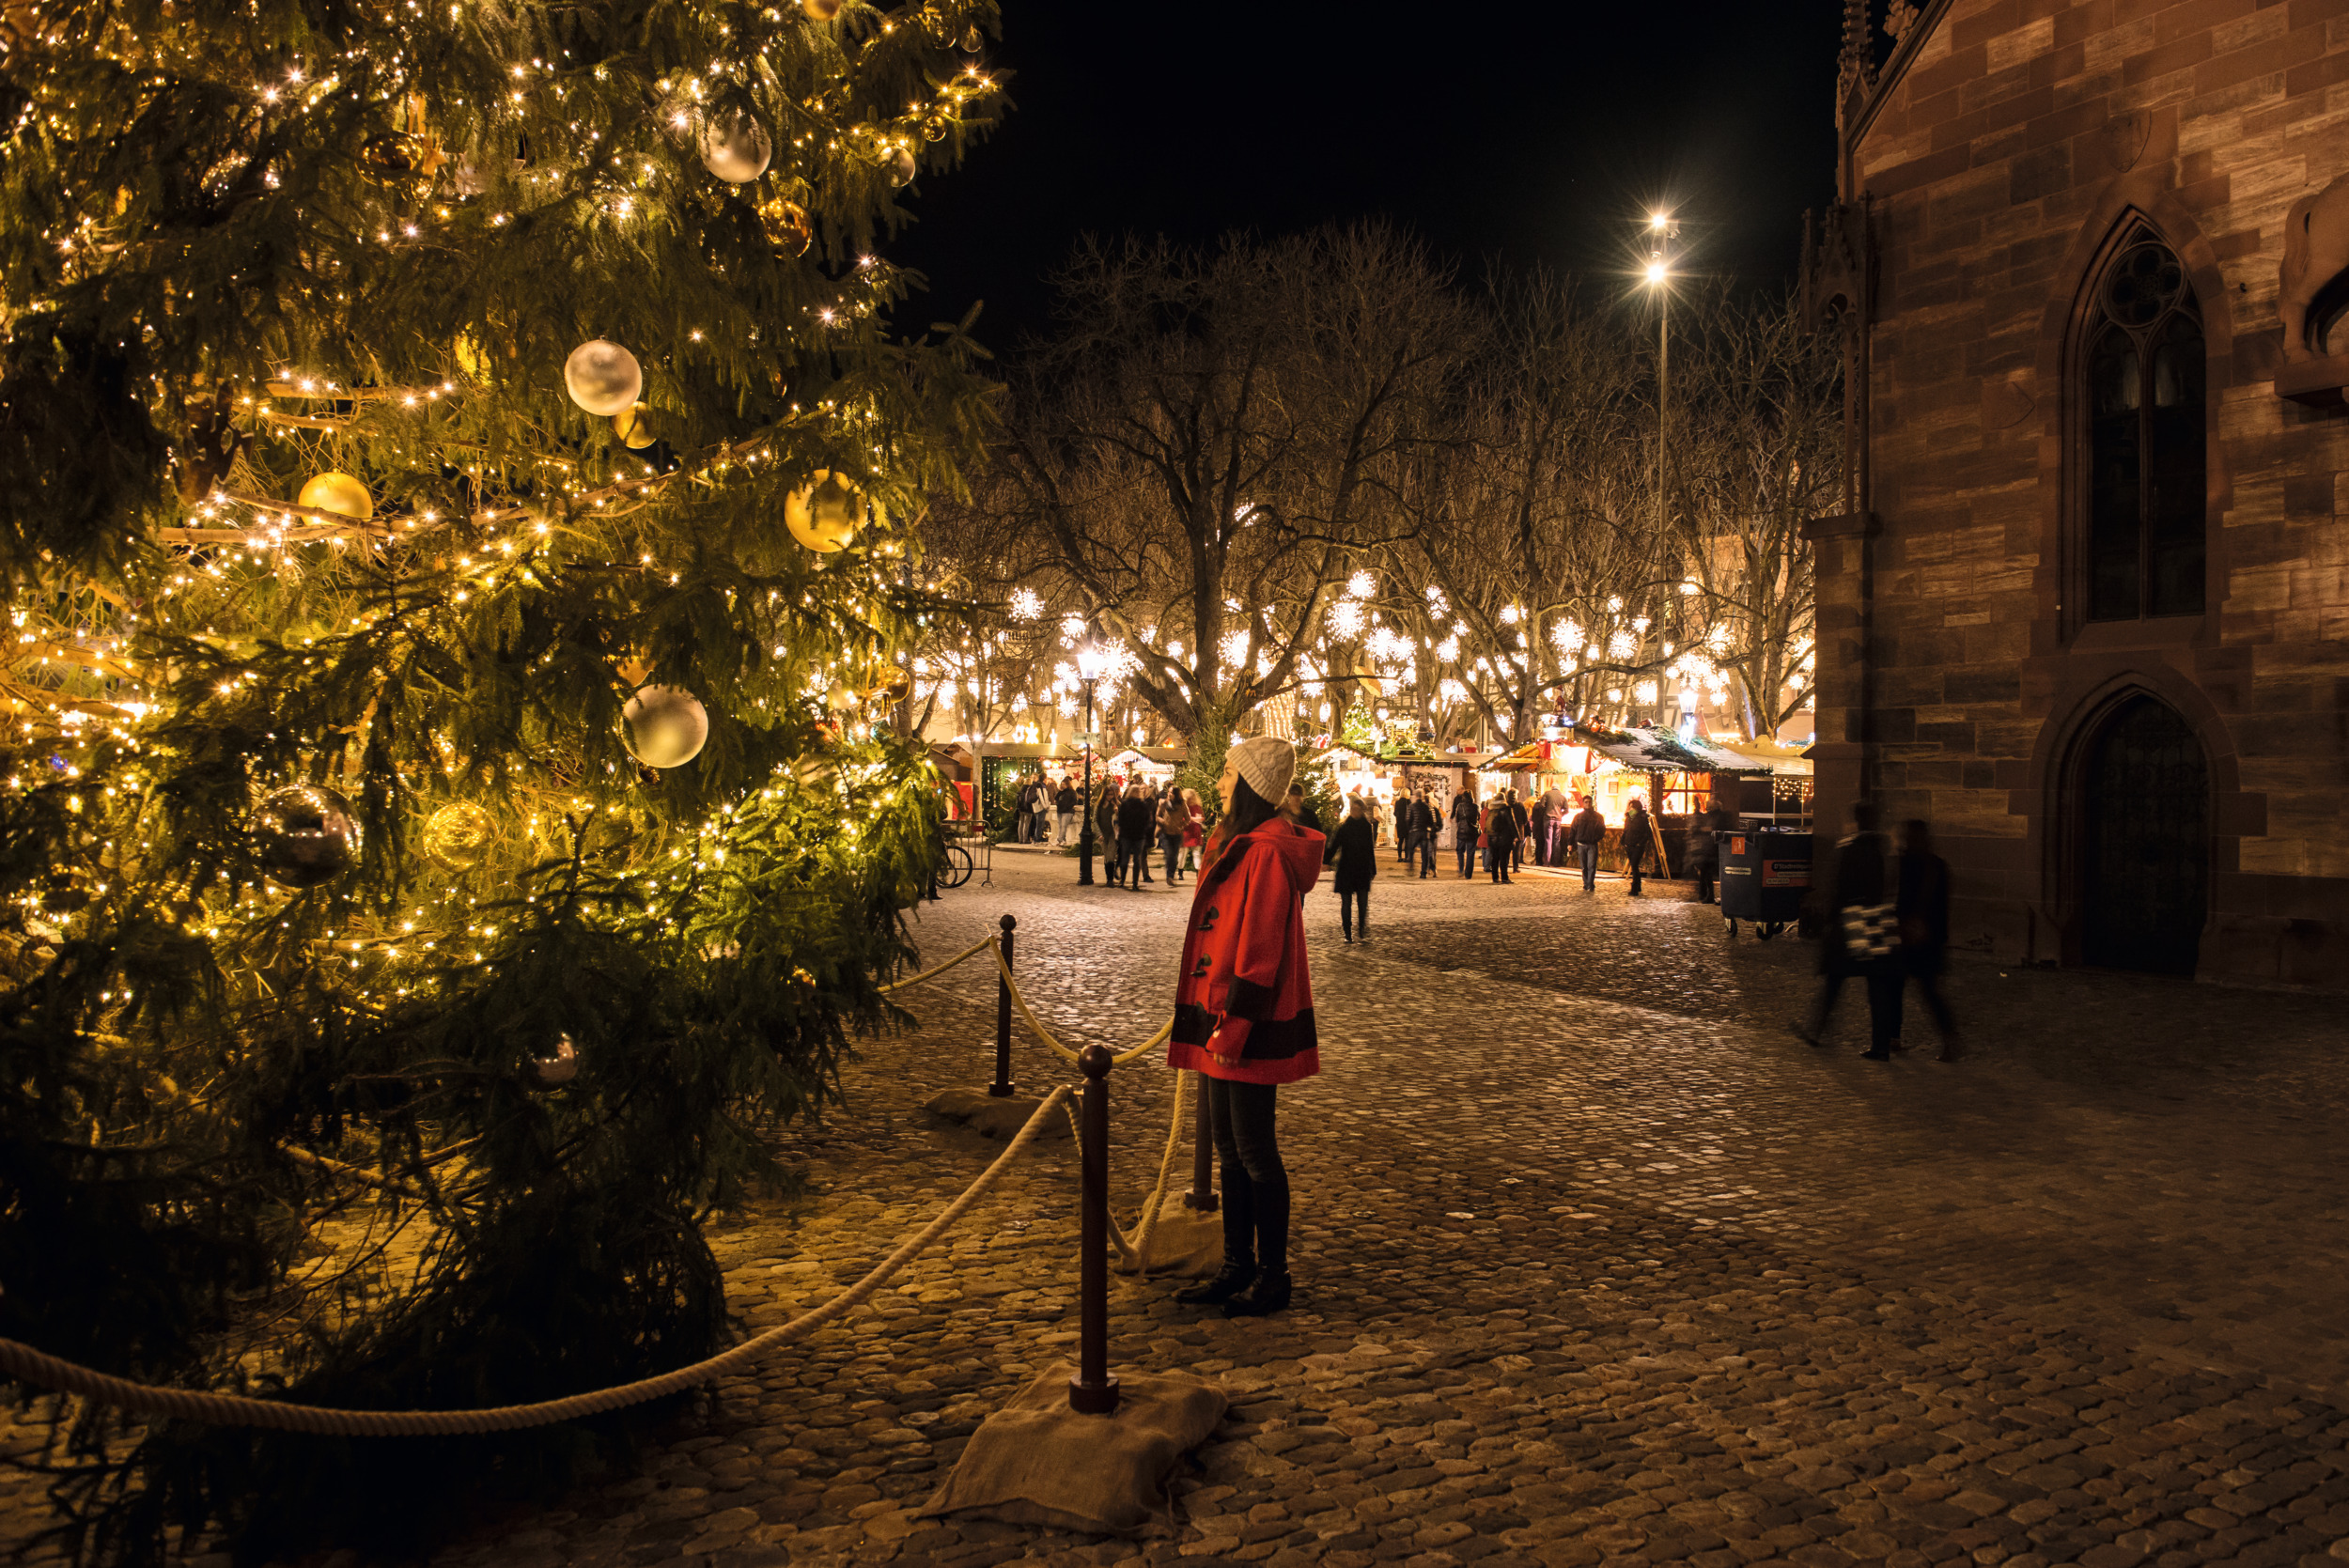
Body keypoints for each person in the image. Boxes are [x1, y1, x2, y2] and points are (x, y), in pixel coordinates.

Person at [1169, 736, 1323, 1317]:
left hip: (1246, 1018)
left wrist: (1234, 1024)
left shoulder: (1265, 853)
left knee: (1256, 1150)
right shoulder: (1235, 842)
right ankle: (1236, 1265)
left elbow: (1259, 948)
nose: (1220, 782)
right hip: (1219, 1011)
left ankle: (1272, 1274)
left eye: (1229, 772)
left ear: (1252, 785)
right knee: (1228, 1148)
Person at [1793, 800, 1903, 1061]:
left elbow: (1837, 888)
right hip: (1875, 919)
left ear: (1856, 820)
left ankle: (1817, 1030)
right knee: (1876, 985)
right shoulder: (1883, 849)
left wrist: (1829, 919)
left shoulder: (1849, 849)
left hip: (1849, 921)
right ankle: (1880, 1044)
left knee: (1835, 979)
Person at [1897, 818, 1963, 1062]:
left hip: (1915, 938)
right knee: (1925, 991)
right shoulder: (1936, 865)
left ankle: (1948, 1039)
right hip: (1928, 938)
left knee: (1919, 990)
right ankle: (1949, 1040)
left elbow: (1902, 899)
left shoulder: (1912, 864)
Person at [1324, 793, 1377, 943]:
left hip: (1361, 869)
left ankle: (1361, 929)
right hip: (1347, 869)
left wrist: (1373, 868)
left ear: (1361, 810)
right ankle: (1347, 931)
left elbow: (1369, 849)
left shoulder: (1366, 827)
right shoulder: (1345, 827)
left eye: (1357, 809)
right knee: (1346, 903)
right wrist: (1326, 861)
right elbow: (1334, 845)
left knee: (1362, 903)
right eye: (1353, 809)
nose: (1355, 811)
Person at [1688, 795, 1732, 906]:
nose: (1707, 809)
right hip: (1711, 848)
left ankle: (1709, 895)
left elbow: (1714, 828)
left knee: (1709, 872)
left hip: (1714, 848)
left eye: (1709, 807)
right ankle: (1706, 894)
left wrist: (1703, 830)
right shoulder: (1717, 816)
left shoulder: (1718, 817)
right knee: (1706, 872)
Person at [1116, 780, 1157, 888]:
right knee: (1137, 860)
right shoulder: (1143, 805)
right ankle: (1135, 883)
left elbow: (1120, 820)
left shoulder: (1124, 804)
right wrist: (1143, 829)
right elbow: (1148, 820)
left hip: (1126, 835)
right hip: (1139, 835)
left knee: (1125, 858)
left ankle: (1122, 881)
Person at [1568, 794, 1606, 892]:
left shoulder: (1598, 816)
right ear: (1583, 804)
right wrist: (1570, 843)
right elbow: (1573, 830)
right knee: (1584, 866)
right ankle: (1586, 883)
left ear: (1592, 803)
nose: (1588, 804)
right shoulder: (1578, 816)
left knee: (1591, 866)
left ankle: (1590, 884)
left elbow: (1602, 830)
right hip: (1581, 844)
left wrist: (1595, 839)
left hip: (1592, 844)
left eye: (1589, 802)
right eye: (1586, 802)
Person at [1621, 796, 1656, 896]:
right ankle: (1638, 885)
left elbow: (1648, 833)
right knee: (1633, 865)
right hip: (1629, 845)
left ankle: (1634, 888)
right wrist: (1624, 842)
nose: (1630, 809)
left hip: (1637, 846)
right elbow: (1626, 830)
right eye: (1630, 807)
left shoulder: (1642, 819)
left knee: (1634, 866)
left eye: (1632, 807)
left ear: (1637, 808)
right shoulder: (1628, 818)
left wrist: (1640, 843)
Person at [1157, 783, 1189, 886]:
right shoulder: (1163, 804)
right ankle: (1169, 876)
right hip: (1166, 833)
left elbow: (1188, 818)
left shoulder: (1182, 804)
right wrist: (1163, 822)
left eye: (1172, 793)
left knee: (1174, 857)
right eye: (1169, 792)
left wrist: (1181, 825)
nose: (1170, 794)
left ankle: (1171, 875)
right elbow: (1157, 816)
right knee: (1169, 854)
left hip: (1177, 834)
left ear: (1177, 794)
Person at [1484, 792, 1517, 884]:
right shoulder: (1506, 809)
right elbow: (1511, 823)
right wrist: (1516, 836)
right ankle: (1504, 878)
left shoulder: (1491, 810)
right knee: (1504, 858)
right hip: (1504, 837)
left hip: (1492, 837)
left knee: (1495, 858)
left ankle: (1495, 878)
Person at [1095, 782, 1123, 882]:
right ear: (1104, 795)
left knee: (1111, 855)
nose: (1110, 797)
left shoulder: (1117, 804)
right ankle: (1108, 877)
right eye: (1108, 794)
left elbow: (1121, 820)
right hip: (1103, 834)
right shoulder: (1099, 805)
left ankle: (1110, 879)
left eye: (1111, 794)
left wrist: (1117, 812)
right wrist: (1099, 834)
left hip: (1113, 834)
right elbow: (1095, 820)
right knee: (1106, 856)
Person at [1451, 785, 1479, 878]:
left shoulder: (1460, 806)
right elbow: (1478, 818)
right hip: (1472, 832)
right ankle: (1468, 874)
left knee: (1460, 851)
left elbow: (1457, 819)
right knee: (1470, 853)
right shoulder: (1475, 807)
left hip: (1461, 832)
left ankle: (1461, 869)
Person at [1180, 787, 1206, 874]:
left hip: (1195, 832)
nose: (1191, 799)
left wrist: (1200, 819)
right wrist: (1194, 819)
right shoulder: (1183, 807)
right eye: (1189, 798)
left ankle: (1198, 871)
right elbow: (1182, 819)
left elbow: (1201, 816)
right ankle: (1180, 870)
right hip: (1186, 832)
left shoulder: (1197, 807)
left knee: (1196, 853)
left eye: (1192, 797)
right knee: (1183, 853)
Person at [1054, 776, 1078, 846]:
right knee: (1061, 826)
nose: (1062, 786)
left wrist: (1067, 806)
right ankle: (1063, 840)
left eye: (1064, 785)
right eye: (1062, 785)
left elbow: (1074, 801)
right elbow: (1056, 798)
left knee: (1064, 826)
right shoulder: (1062, 792)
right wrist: (1060, 791)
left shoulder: (1072, 792)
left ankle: (1060, 840)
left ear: (1067, 784)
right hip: (1060, 811)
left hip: (1067, 811)